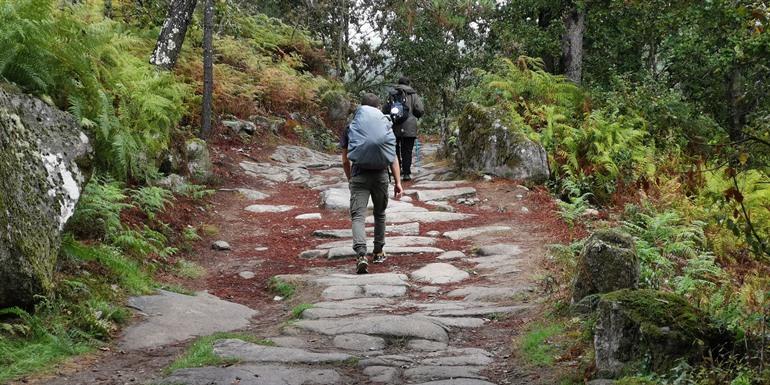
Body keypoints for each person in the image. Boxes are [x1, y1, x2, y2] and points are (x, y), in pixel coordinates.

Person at [341, 93, 403, 274]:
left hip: (359, 174)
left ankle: (361, 254)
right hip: (381, 175)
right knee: (380, 214)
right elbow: (392, 157)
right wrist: (398, 182)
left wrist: (350, 179)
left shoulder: (351, 126)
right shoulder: (385, 125)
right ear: (378, 108)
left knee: (358, 216)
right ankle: (378, 251)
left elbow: (345, 160)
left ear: (362, 108)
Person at [384, 76, 424, 181]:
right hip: (409, 126)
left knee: (395, 149)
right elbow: (419, 109)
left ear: (398, 83)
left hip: (394, 125)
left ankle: (397, 170)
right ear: (408, 83)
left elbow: (385, 109)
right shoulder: (413, 94)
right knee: (407, 150)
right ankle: (406, 173)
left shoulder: (392, 94)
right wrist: (415, 114)